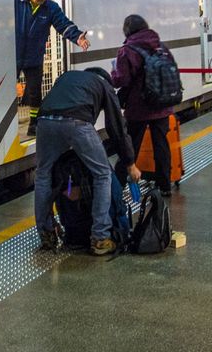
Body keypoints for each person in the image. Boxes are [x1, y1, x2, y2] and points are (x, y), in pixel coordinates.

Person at [34, 68, 140, 256]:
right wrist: (130, 163)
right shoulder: (105, 86)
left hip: (44, 119)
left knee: (43, 174)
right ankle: (100, 238)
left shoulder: (68, 76)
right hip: (77, 122)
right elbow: (116, 128)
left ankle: (46, 234)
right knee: (102, 175)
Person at [15, 0, 90, 135]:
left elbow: (63, 24)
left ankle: (33, 124)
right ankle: (7, 127)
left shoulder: (50, 7)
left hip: (34, 58)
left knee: (35, 93)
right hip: (11, 57)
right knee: (6, 93)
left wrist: (77, 37)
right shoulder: (15, 0)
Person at [111, 15, 174, 196]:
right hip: (161, 105)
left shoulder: (127, 50)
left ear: (128, 30)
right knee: (161, 144)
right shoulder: (159, 45)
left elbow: (122, 79)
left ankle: (118, 185)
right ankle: (165, 186)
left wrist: (112, 74)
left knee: (129, 146)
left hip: (138, 107)